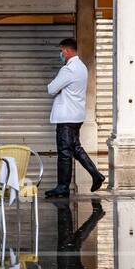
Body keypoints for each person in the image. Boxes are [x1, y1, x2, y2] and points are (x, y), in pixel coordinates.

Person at [44, 37, 105, 198]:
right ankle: (96, 175)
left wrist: (56, 89)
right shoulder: (82, 67)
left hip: (66, 117)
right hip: (76, 115)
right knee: (75, 148)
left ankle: (63, 186)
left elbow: (51, 89)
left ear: (67, 50)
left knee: (64, 152)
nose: (60, 54)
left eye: (61, 50)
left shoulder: (68, 69)